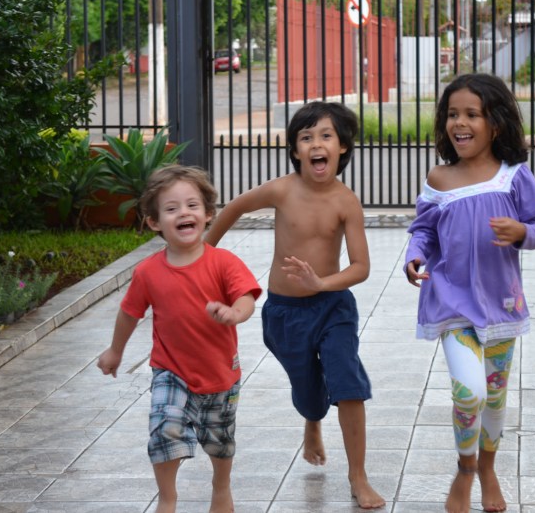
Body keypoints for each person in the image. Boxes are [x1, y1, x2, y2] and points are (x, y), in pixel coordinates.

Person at [204, 101, 386, 509]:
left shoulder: (345, 201)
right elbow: (233, 207)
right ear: (294, 150)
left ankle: (358, 476)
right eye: (306, 138)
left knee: (347, 382)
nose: (316, 144)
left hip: (333, 306)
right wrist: (203, 255)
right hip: (285, 313)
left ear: (342, 148)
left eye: (326, 136)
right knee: (309, 391)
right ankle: (312, 420)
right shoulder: (281, 190)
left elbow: (361, 267)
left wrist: (321, 282)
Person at [404, 73, 535, 513]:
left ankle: (488, 468)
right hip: (451, 302)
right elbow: (424, 230)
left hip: (502, 306)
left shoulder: (514, 177)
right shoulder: (440, 177)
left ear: (497, 123)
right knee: (470, 393)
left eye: (471, 114)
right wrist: (414, 256)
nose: (458, 123)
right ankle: (465, 469)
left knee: (495, 397)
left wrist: (522, 231)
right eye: (452, 114)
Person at [97, 165, 262, 513]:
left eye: (191, 205)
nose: (183, 213)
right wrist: (115, 351)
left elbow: (246, 296)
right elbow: (129, 313)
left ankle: (221, 487)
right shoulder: (148, 272)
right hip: (171, 372)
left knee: (220, 441)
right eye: (171, 209)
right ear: (155, 222)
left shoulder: (223, 262)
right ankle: (167, 497)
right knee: (165, 429)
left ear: (207, 214)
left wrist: (235, 313)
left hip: (220, 375)